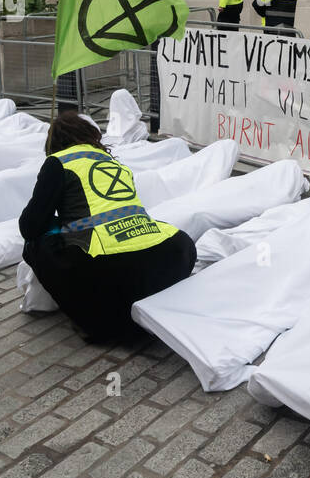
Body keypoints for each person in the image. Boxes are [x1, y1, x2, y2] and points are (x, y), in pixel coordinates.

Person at [18, 113, 198, 344]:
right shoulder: (114, 163)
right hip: (165, 255)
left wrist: (58, 223)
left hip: (107, 267)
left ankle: (96, 319)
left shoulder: (59, 162)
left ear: (54, 144)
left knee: (36, 242)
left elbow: (30, 225)